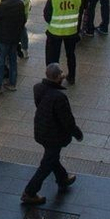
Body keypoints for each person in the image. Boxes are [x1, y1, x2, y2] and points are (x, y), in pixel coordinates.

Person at [21, 63, 82, 206]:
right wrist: (77, 133)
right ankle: (29, 192)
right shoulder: (59, 97)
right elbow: (67, 120)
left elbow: (40, 106)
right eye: (61, 74)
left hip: (41, 130)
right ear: (58, 78)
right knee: (47, 163)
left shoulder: (38, 88)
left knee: (52, 157)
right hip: (54, 135)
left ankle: (62, 178)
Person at [43, 0, 82, 84]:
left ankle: (53, 78)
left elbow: (47, 15)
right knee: (71, 55)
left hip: (55, 32)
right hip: (71, 31)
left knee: (52, 57)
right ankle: (72, 76)